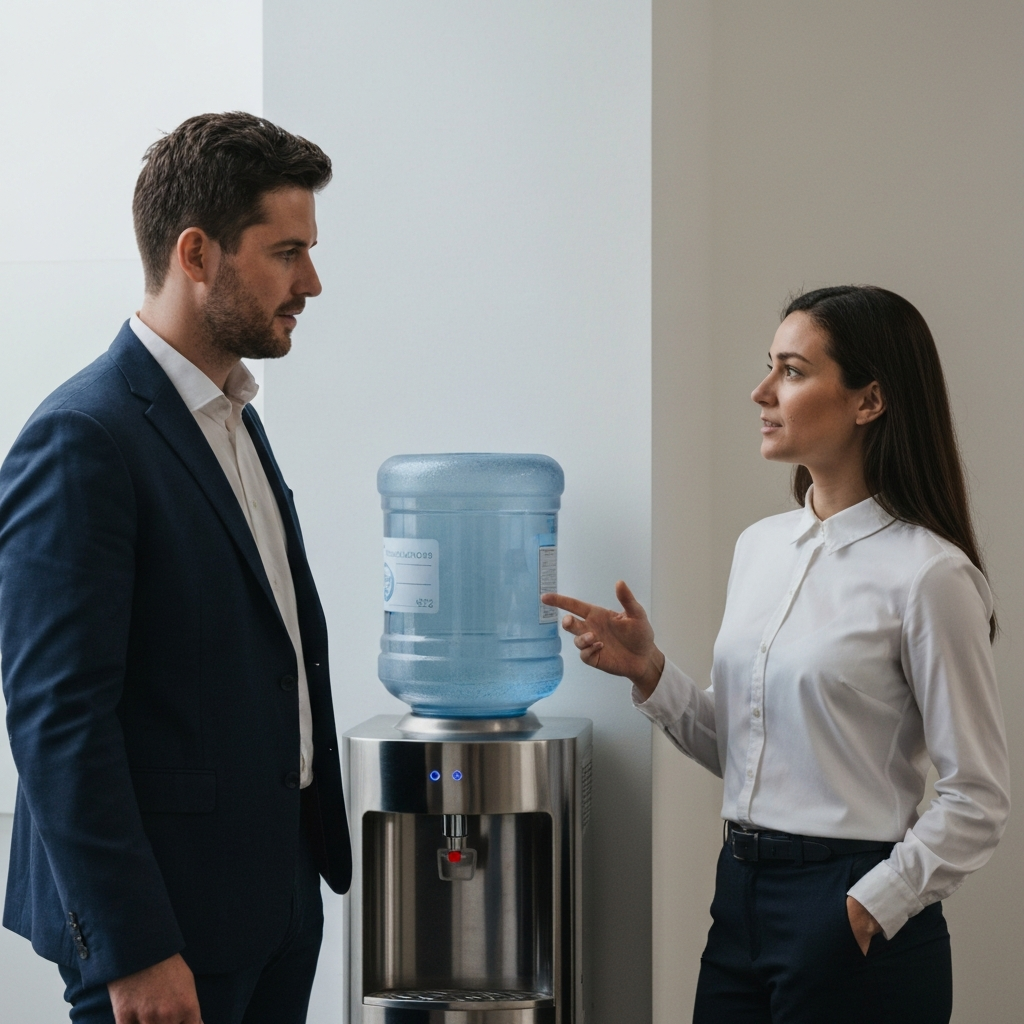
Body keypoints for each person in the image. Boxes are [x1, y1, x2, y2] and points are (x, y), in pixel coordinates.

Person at [543, 286, 1010, 1023]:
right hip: (740, 897)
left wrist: (867, 907)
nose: (761, 391)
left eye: (791, 371)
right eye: (770, 367)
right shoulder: (758, 548)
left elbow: (978, 797)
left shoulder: (930, 575)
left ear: (869, 400)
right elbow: (752, 753)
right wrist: (651, 673)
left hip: (851, 907)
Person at [0, 112, 351, 1024]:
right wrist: (136, 950)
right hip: (166, 934)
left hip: (273, 904)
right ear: (197, 254)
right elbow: (56, 718)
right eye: (287, 253)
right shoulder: (83, 438)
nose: (311, 282)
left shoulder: (234, 415)